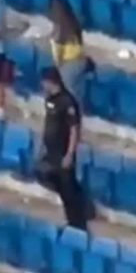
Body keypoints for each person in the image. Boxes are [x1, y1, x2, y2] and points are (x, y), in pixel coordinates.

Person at [37, 67, 86, 231]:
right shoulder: (50, 99)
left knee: (69, 190)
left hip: (63, 152)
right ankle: (71, 219)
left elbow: (74, 129)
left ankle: (77, 223)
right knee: (57, 185)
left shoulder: (68, 101)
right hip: (51, 152)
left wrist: (70, 154)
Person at [47, 0, 88, 105]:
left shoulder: (61, 28)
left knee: (68, 94)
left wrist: (57, 67)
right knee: (77, 95)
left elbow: (58, 55)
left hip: (69, 63)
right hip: (80, 61)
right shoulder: (72, 21)